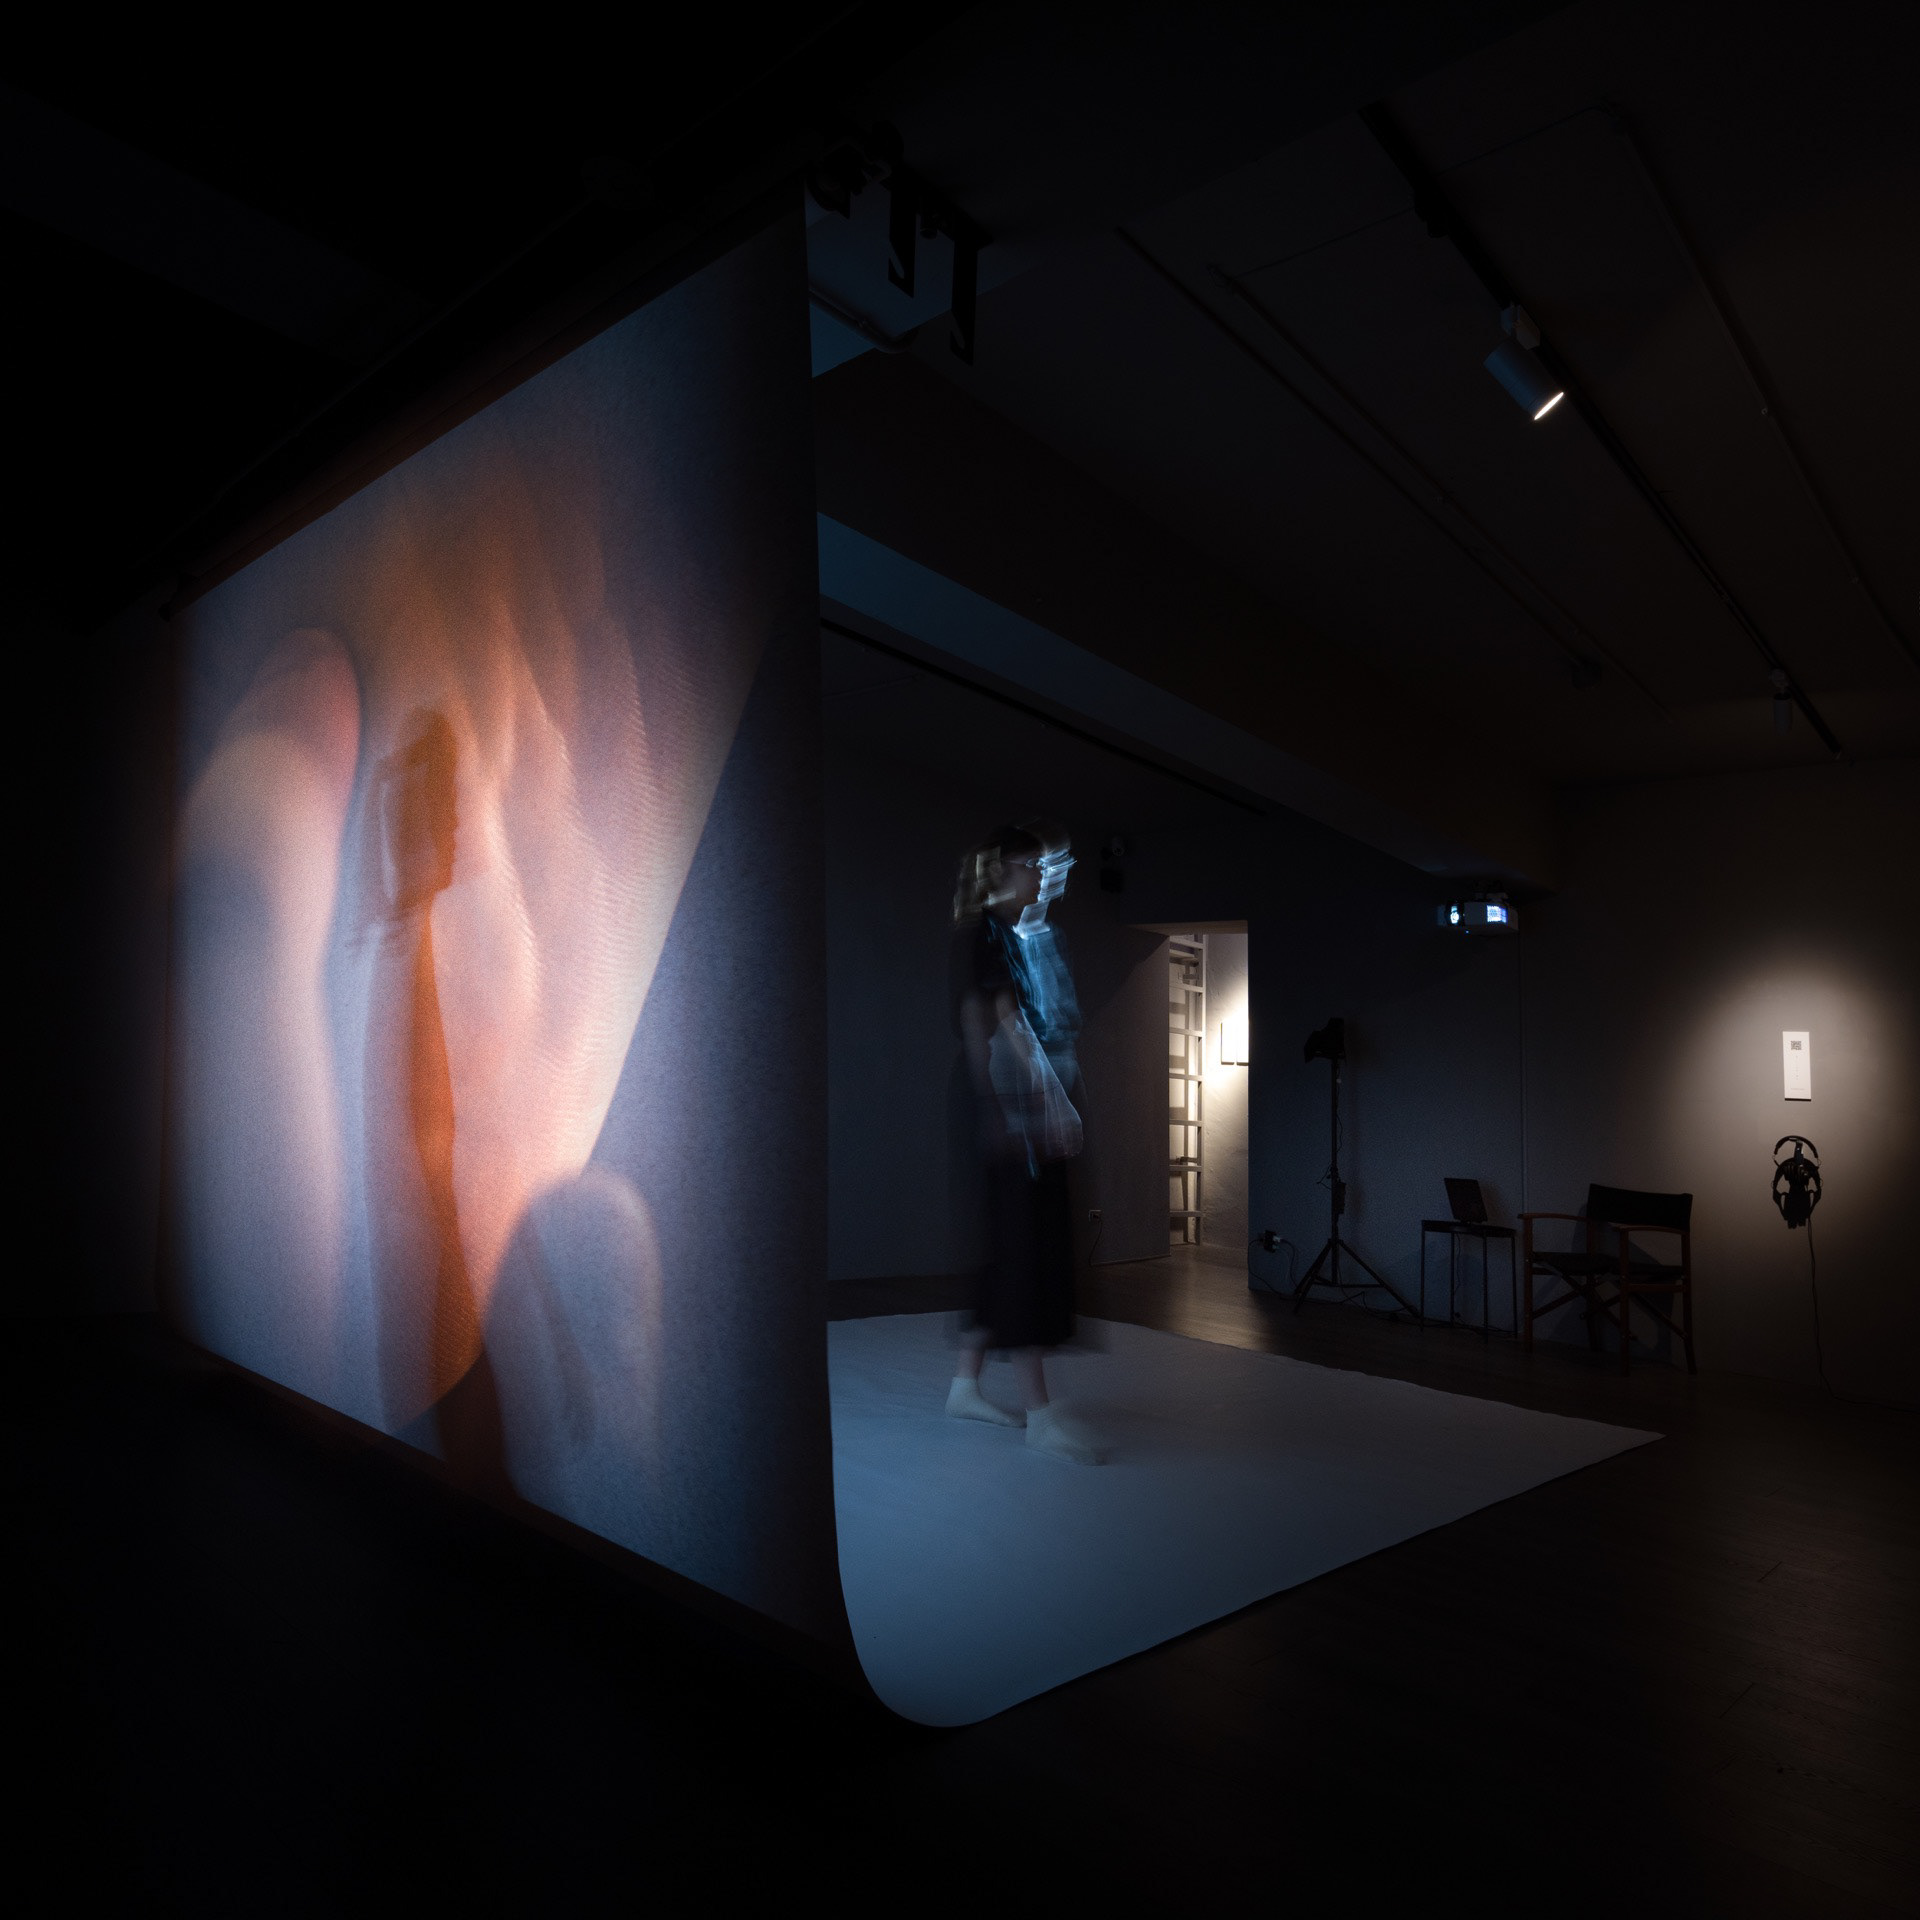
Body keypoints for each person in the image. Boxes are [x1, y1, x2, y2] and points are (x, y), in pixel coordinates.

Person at [947, 822, 1100, 1464]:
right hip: (1015, 1113)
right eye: (1032, 865)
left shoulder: (1014, 937)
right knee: (1025, 1252)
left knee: (1008, 1245)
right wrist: (1046, 1105)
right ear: (1004, 867)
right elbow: (1003, 1022)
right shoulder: (991, 934)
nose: (1042, 875)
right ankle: (1040, 1413)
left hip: (1010, 1110)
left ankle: (965, 1385)